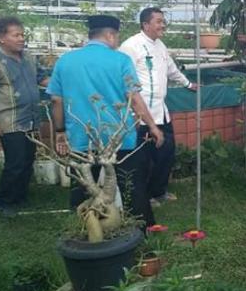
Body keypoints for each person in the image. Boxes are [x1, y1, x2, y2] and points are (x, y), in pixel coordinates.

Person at [47, 15, 164, 227]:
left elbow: (56, 99)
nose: (117, 41)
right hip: (120, 137)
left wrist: (60, 132)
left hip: (82, 136)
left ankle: (82, 231)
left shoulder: (65, 61)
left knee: (83, 186)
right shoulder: (120, 60)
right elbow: (134, 99)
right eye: (117, 37)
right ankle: (142, 232)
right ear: (110, 35)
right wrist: (153, 126)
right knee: (131, 185)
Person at [120, 7, 197, 207]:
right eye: (159, 21)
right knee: (142, 158)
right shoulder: (131, 46)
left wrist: (188, 84)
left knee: (166, 152)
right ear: (146, 25)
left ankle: (159, 191)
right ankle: (143, 195)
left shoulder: (160, 46)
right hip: (140, 113)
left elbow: (171, 70)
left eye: (163, 21)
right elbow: (124, 80)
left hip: (161, 112)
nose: (163, 25)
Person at [0, 17, 48, 218]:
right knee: (15, 163)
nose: (21, 39)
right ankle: (4, 202)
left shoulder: (29, 57)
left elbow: (42, 78)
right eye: (16, 35)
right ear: (1, 38)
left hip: (31, 118)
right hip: (10, 119)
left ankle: (20, 196)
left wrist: (62, 84)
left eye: (22, 34)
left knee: (27, 160)